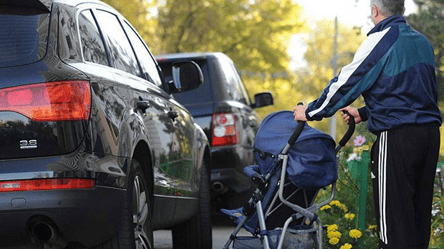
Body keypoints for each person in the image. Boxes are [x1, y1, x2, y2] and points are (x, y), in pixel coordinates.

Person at [293, 0, 442, 248]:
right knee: (417, 219)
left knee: (393, 223)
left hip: (398, 139)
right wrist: (365, 113)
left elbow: (347, 83)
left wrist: (309, 111)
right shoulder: (422, 42)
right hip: (428, 136)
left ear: (375, 10)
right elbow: (414, 94)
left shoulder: (382, 39)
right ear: (402, 9)